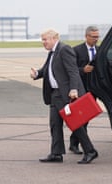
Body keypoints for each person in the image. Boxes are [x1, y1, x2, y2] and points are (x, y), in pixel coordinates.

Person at [30, 29, 98, 164]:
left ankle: (90, 151)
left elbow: (73, 71)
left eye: (45, 40)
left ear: (54, 38)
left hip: (66, 94)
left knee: (75, 124)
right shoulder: (52, 53)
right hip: (55, 94)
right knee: (55, 124)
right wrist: (37, 73)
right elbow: (47, 70)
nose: (43, 42)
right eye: (42, 40)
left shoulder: (64, 49)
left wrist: (74, 89)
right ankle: (56, 153)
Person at [69, 26, 100, 154]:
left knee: (86, 118)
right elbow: (71, 69)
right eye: (93, 37)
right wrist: (83, 70)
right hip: (81, 89)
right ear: (86, 36)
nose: (96, 39)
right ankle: (75, 144)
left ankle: (74, 142)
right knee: (81, 118)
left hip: (94, 90)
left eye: (97, 37)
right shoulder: (76, 50)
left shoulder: (100, 50)